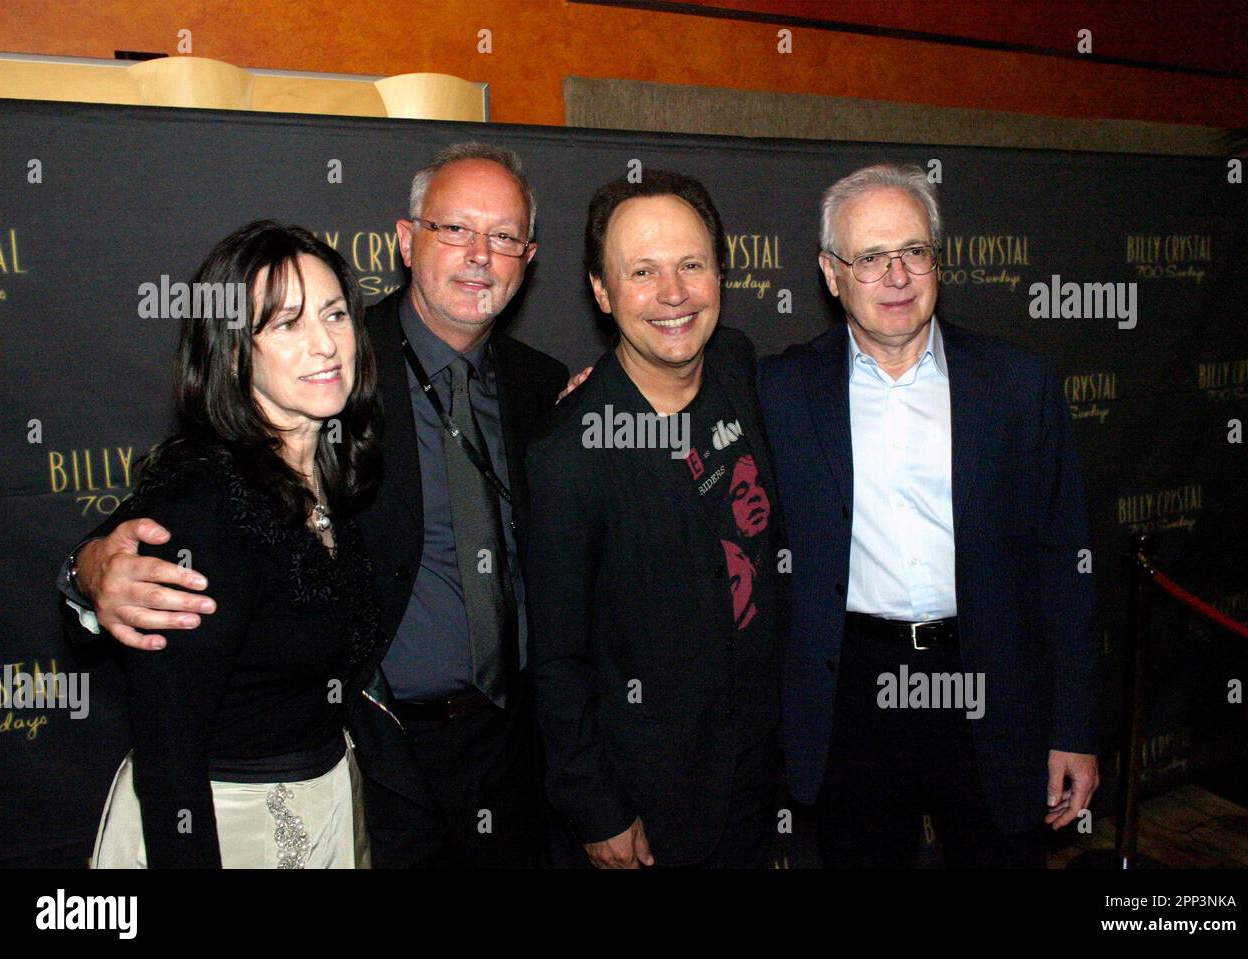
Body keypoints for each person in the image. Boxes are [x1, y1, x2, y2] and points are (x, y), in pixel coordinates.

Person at [63, 144, 570, 868]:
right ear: (405, 240)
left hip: (503, 756)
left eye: (504, 236)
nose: (479, 255)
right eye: (455, 229)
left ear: (530, 255)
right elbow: (170, 512)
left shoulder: (540, 385)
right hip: (374, 763)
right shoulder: (338, 366)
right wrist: (87, 568)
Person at [758, 163, 1101, 868]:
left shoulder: (1018, 384)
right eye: (871, 257)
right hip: (851, 691)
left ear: (937, 263)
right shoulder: (780, 390)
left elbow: (1066, 566)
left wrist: (1075, 728)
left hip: (992, 685)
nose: (896, 276)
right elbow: (678, 383)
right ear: (831, 273)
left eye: (914, 251)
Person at [88, 220, 383, 868]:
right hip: (222, 831)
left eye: (334, 315)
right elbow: (169, 756)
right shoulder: (204, 506)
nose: (325, 344)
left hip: (328, 807)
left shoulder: (334, 474)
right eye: (286, 324)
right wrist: (86, 569)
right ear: (232, 350)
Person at [527, 171, 788, 869]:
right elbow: (555, 658)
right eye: (642, 272)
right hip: (651, 799)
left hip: (759, 775)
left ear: (720, 276)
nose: (673, 294)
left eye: (691, 266)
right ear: (603, 291)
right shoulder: (569, 455)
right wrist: (596, 805)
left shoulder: (736, 363)